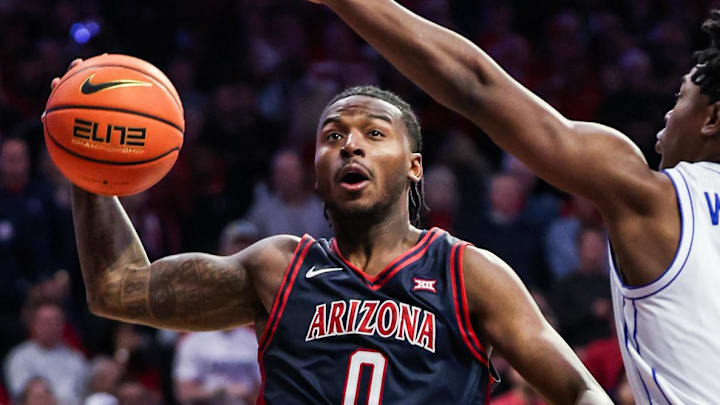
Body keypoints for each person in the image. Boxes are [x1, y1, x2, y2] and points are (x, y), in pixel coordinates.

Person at [54, 64, 609, 404]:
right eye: (333, 135)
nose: (350, 145)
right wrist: (87, 164)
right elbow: (116, 287)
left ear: (414, 166)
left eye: (373, 133)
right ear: (316, 166)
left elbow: (580, 389)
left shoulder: (467, 273)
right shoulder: (275, 268)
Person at [308, 0, 720, 403]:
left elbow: (477, 86)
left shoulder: (655, 200)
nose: (667, 116)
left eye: (679, 99)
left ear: (712, 119)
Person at [4, 301, 87, 405]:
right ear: (34, 324)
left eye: (56, 321)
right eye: (46, 322)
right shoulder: (18, 357)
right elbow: (21, 395)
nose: (51, 326)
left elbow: (84, 395)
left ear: (63, 325)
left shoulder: (76, 358)